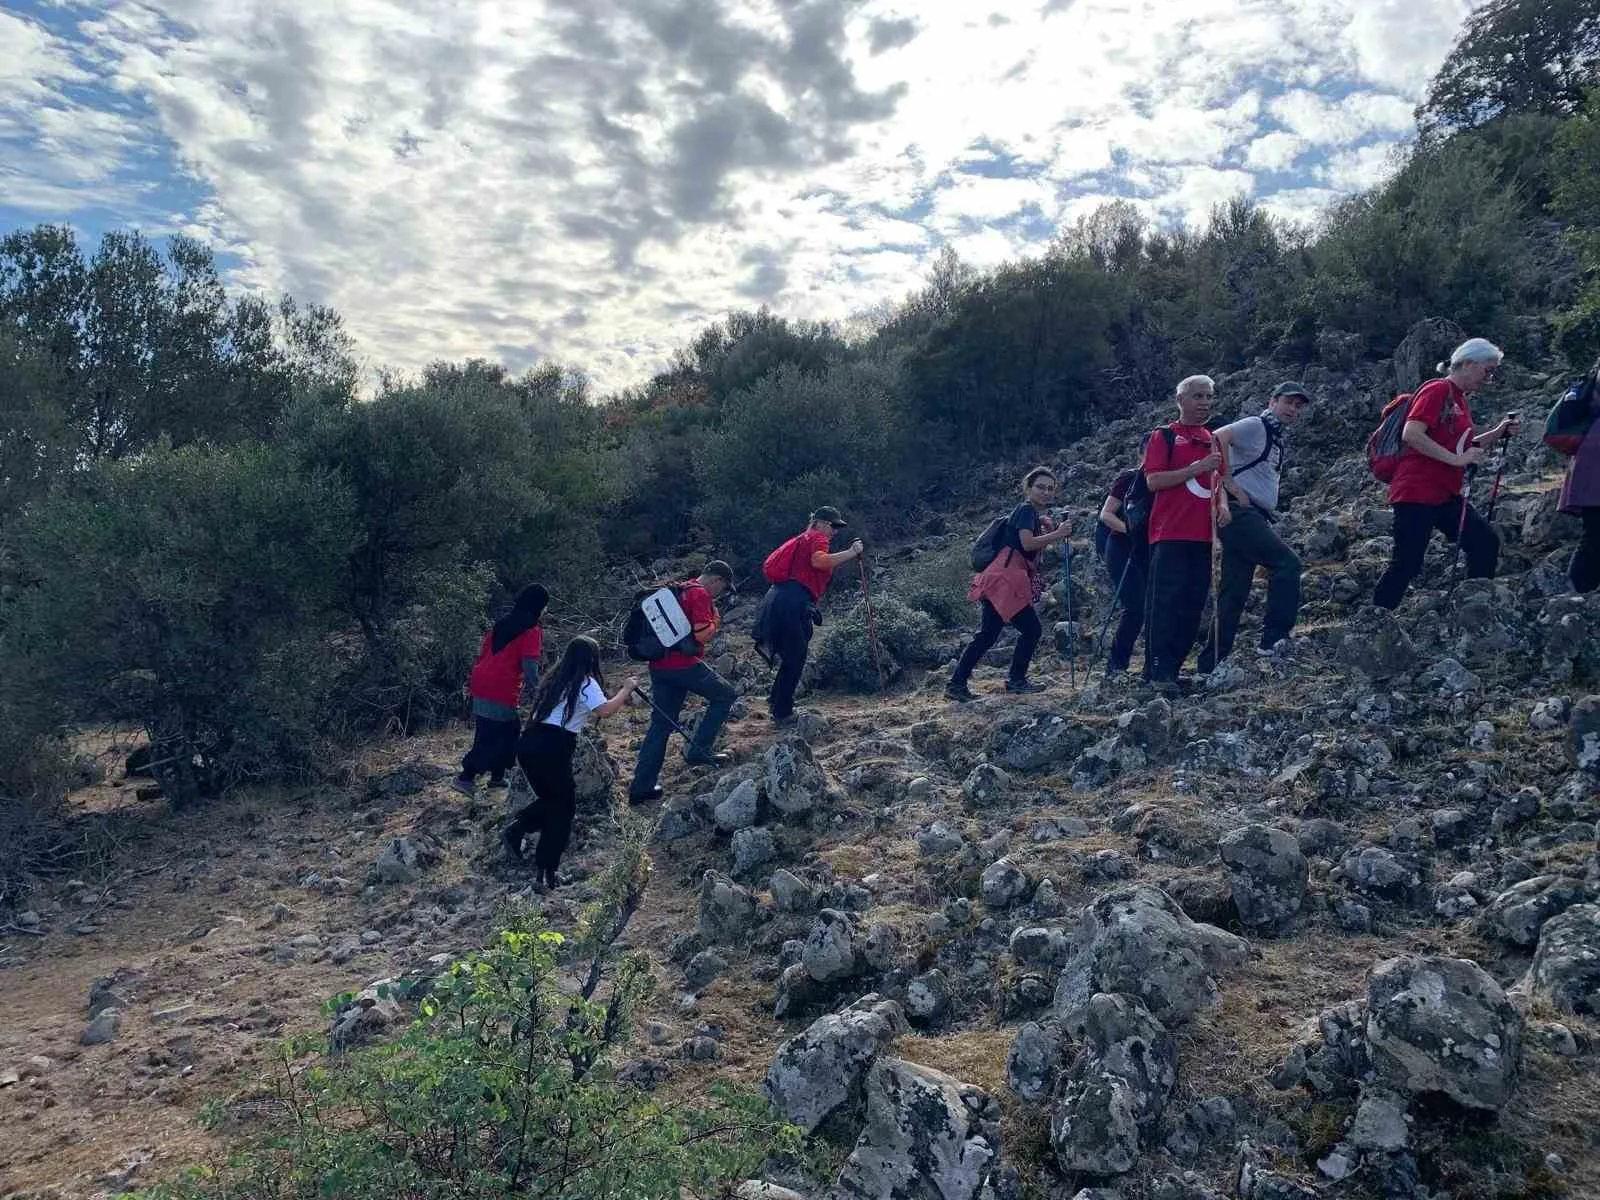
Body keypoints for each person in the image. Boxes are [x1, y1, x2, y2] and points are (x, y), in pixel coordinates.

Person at [1372, 338, 1519, 610]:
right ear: (1468, 363)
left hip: (1442, 494)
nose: (1489, 378)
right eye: (1487, 370)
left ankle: (1474, 610)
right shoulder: (1438, 389)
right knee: (1407, 562)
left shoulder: (1458, 399)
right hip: (1416, 491)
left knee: (1484, 542)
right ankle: (1373, 620)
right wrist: (1456, 459)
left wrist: (1498, 432)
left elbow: (1464, 446)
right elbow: (1412, 433)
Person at [503, 636, 637, 890]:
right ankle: (539, 862)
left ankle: (538, 860)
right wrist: (626, 689)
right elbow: (604, 710)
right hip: (553, 747)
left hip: (530, 743)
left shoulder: (555, 680)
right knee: (562, 811)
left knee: (555, 805)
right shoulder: (585, 683)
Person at [1197, 382, 1309, 670]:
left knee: (1234, 590)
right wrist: (1231, 484)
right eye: (1288, 402)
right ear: (1272, 401)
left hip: (1247, 515)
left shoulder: (1273, 436)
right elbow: (1216, 438)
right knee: (1287, 564)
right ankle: (1274, 640)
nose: (1293, 410)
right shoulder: (1256, 425)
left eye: (1298, 406)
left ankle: (1210, 664)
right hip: (1239, 512)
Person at [947, 467, 1073, 700]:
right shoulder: (1025, 510)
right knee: (1029, 630)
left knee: (990, 633)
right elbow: (1027, 544)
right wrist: (1059, 533)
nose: (1046, 492)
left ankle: (959, 684)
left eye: (1050, 488)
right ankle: (1013, 680)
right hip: (1005, 581)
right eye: (1040, 487)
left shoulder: (1030, 514)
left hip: (1001, 579)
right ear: (1028, 488)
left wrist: (1048, 530)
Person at [1141, 376, 1229, 695]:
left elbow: (1216, 481)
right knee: (1166, 603)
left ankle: (1174, 668)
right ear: (1180, 400)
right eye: (1197, 396)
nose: (1204, 402)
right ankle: (1155, 671)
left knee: (1193, 605)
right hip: (1170, 532)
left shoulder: (1213, 438)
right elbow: (1153, 482)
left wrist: (1222, 505)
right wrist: (1197, 467)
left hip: (1204, 536)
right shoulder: (1163, 436)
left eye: (1209, 396)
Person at [626, 560, 737, 804]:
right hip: (685, 666)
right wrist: (716, 621)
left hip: (659, 667)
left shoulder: (677, 589)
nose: (720, 593)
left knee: (661, 725)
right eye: (723, 587)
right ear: (717, 580)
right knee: (726, 695)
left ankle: (640, 788)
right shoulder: (699, 594)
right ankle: (699, 750)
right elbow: (701, 633)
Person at [754, 507, 863, 727]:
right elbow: (819, 561)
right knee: (796, 655)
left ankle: (777, 702)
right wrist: (852, 552)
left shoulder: (801, 538)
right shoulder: (817, 537)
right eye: (833, 526)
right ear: (821, 523)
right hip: (793, 601)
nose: (835, 531)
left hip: (779, 598)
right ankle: (782, 712)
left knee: (794, 654)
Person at [453, 584, 547, 797]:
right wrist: (539, 690)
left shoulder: (502, 623)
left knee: (508, 730)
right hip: (500, 686)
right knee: (492, 735)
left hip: (481, 681)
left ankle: (497, 778)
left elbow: (484, 652)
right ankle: (466, 777)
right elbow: (530, 665)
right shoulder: (532, 629)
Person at [1095, 442, 1150, 676]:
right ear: (1140, 453)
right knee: (1135, 606)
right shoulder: (1129, 479)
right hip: (1120, 547)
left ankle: (1151, 663)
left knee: (1151, 606)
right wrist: (1129, 531)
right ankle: (1116, 666)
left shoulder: (1165, 482)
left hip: (1148, 549)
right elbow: (1106, 515)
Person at [1559, 359, 1600, 593]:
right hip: (1596, 461)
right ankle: (1575, 595)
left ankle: (1576, 594)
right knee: (1595, 536)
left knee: (1594, 535)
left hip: (1590, 458)